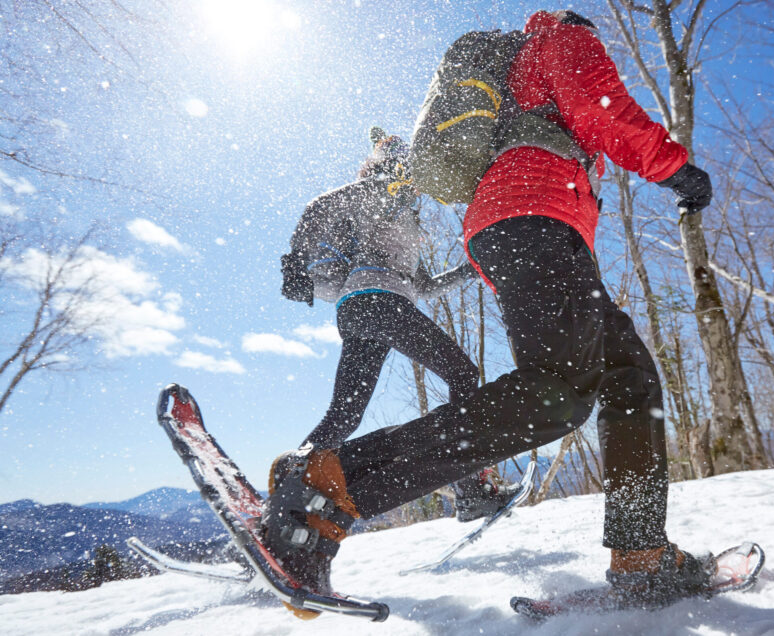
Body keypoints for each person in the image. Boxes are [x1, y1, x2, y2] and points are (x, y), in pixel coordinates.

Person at [261, 10, 715, 612]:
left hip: (515, 221)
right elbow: (603, 111)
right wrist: (677, 170)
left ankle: (641, 551)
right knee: (556, 392)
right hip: (535, 216)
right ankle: (330, 485)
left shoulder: (511, 71)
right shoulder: (562, 37)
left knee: (630, 376)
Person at [276, 127, 521, 535]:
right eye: (402, 165)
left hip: (359, 310)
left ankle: (288, 500)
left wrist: (470, 267)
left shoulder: (401, 215)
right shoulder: (378, 191)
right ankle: (471, 486)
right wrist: (294, 262)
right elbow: (319, 207)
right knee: (461, 374)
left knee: (343, 415)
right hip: (379, 303)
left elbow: (422, 284)